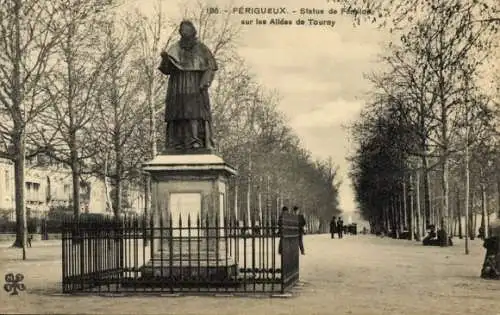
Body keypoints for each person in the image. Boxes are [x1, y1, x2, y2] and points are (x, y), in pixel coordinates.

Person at [159, 20, 218, 150]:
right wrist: (164, 58)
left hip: (194, 85)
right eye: (182, 29)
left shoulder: (201, 48)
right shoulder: (175, 48)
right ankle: (177, 142)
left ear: (192, 31)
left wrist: (205, 82)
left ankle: (195, 140)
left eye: (186, 29)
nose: (183, 31)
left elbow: (211, 67)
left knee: (194, 113)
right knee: (177, 113)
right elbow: (166, 69)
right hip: (177, 85)